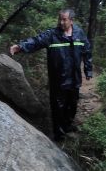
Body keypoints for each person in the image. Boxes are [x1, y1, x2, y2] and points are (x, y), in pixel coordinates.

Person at [9, 9, 93, 141]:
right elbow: (36, 41)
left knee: (72, 104)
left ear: (71, 20)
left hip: (74, 78)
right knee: (58, 107)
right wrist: (20, 47)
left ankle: (67, 126)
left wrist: (88, 70)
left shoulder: (79, 34)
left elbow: (87, 51)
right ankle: (58, 134)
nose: (61, 22)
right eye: (60, 19)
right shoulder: (52, 35)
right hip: (58, 79)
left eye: (64, 19)